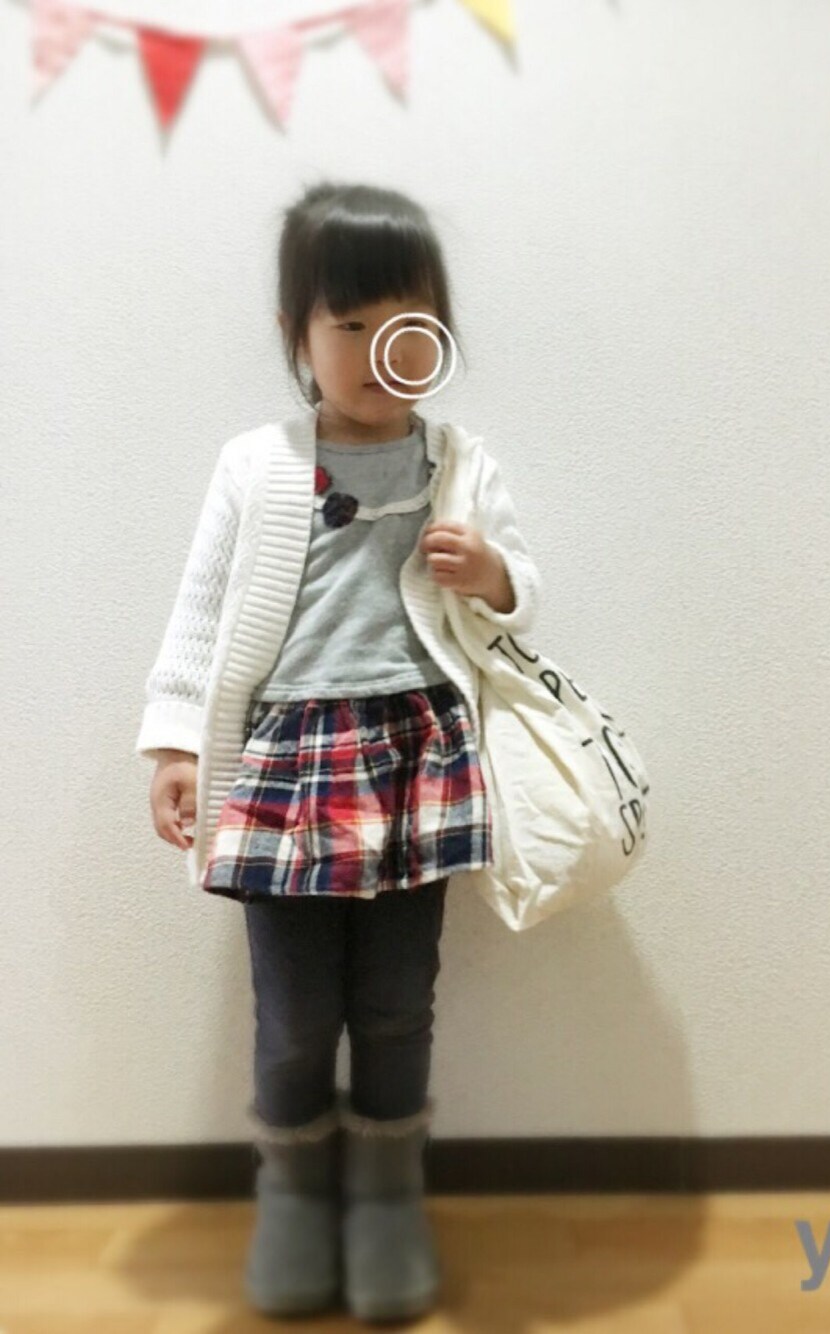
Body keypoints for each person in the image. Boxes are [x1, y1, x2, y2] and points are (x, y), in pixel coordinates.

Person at [135, 180, 542, 1321]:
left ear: (439, 335)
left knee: (400, 1000)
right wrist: (175, 744)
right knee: (296, 1011)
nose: (376, 352)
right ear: (296, 334)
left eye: (404, 324)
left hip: (416, 758)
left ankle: (386, 1196)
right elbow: (202, 612)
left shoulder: (458, 462)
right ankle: (296, 1195)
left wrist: (491, 574)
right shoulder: (255, 463)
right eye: (348, 324)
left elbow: (517, 592)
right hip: (286, 767)